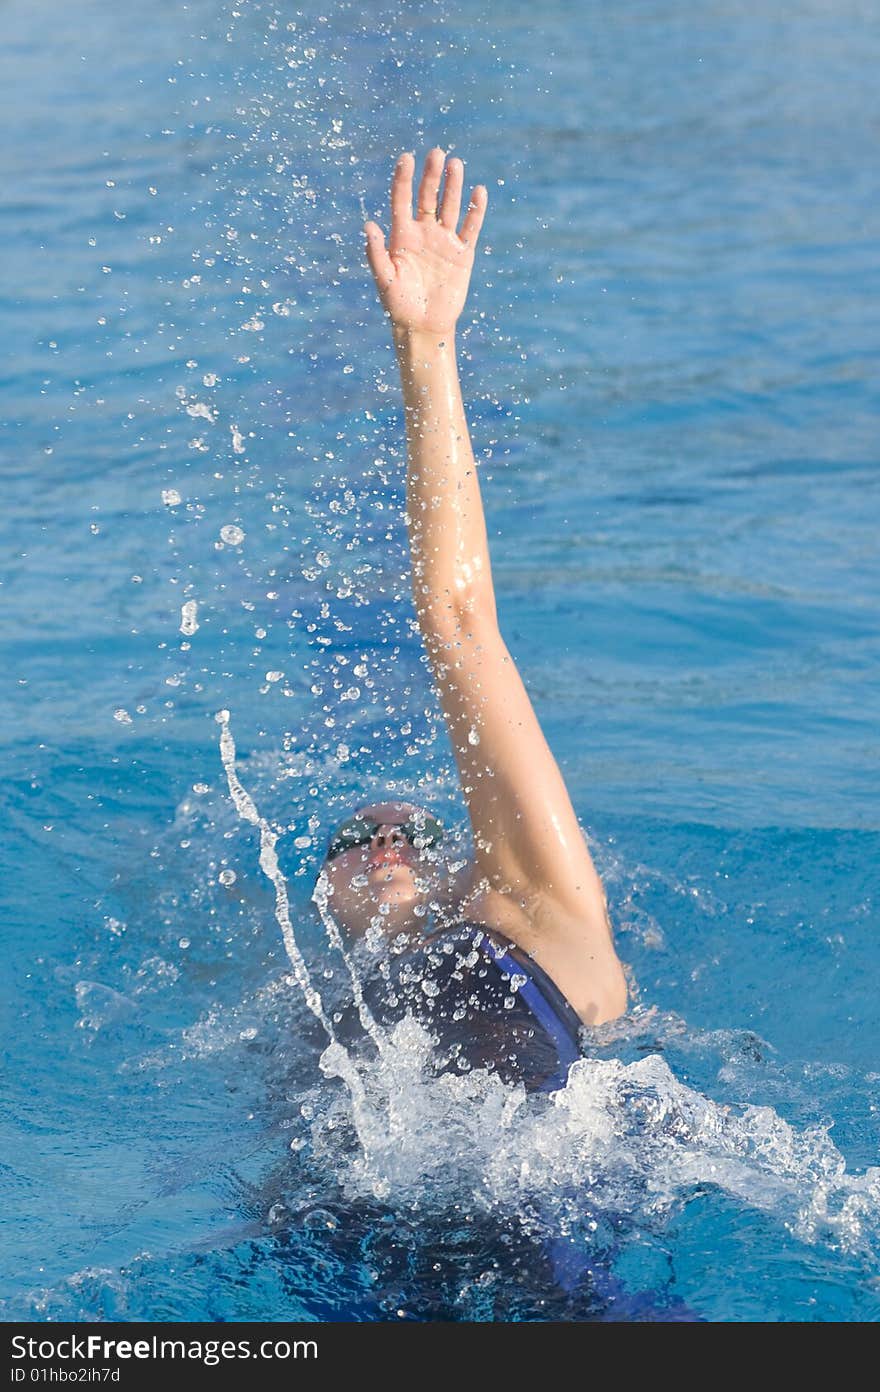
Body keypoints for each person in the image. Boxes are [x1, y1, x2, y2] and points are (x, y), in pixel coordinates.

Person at [315, 147, 628, 1095]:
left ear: (476, 865)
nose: (385, 848)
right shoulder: (314, 1015)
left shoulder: (544, 920)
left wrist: (426, 347)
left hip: (539, 1223)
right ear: (320, 902)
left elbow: (458, 617)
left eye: (415, 836)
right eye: (353, 842)